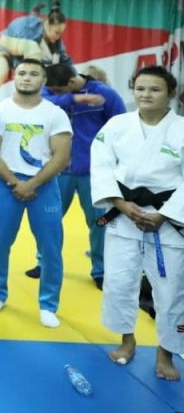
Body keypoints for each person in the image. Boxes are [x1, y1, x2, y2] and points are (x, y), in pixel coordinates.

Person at [91, 65, 183, 381]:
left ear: (170, 94)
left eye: (155, 89)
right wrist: (120, 204)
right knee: (119, 281)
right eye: (140, 88)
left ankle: (165, 352)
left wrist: (165, 214)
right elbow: (101, 166)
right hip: (124, 214)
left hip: (168, 220)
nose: (146, 94)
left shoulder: (181, 129)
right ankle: (127, 341)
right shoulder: (117, 125)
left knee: (172, 289)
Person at [0, 59, 72, 327]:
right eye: (22, 73)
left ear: (44, 80)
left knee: (51, 247)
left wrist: (32, 184)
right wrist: (14, 182)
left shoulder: (55, 114)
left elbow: (61, 157)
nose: (27, 78)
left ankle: (48, 304)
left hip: (44, 185)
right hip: (7, 184)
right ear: (14, 77)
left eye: (34, 74)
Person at [24, 63, 126, 287]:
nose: (54, 93)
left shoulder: (105, 94)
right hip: (57, 170)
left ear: (71, 82)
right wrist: (76, 99)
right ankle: (44, 263)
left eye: (59, 90)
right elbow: (39, 102)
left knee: (99, 222)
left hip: (93, 172)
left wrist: (117, 164)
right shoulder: (50, 92)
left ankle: (100, 270)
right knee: (49, 219)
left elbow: (122, 125)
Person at [0, 3, 72, 110]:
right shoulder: (28, 30)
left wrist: (74, 78)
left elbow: (65, 62)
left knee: (38, 71)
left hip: (21, 50)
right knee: (0, 74)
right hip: (5, 46)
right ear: (46, 25)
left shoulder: (57, 42)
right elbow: (23, 63)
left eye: (61, 33)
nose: (58, 36)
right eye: (56, 32)